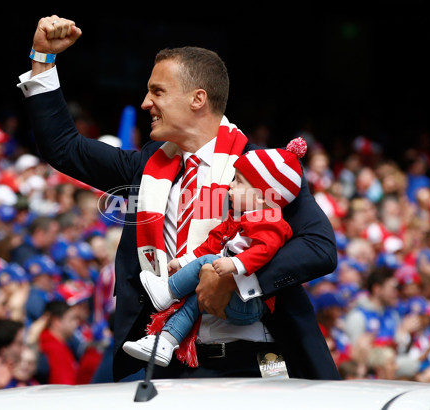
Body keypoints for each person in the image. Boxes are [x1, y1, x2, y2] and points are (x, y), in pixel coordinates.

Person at [18, 15, 339, 381]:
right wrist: (42, 59)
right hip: (170, 366)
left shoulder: (261, 170)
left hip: (256, 364)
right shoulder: (144, 166)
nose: (145, 103)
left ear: (197, 99)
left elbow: (319, 247)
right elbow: (64, 148)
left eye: (157, 91)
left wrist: (234, 278)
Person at [123, 139, 304, 367]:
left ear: (261, 196)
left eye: (238, 181)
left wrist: (235, 264)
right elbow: (213, 242)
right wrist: (185, 262)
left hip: (250, 305)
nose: (230, 185)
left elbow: (264, 250)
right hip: (228, 296)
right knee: (196, 298)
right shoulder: (237, 217)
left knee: (210, 263)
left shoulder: (272, 221)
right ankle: (165, 342)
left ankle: (167, 291)